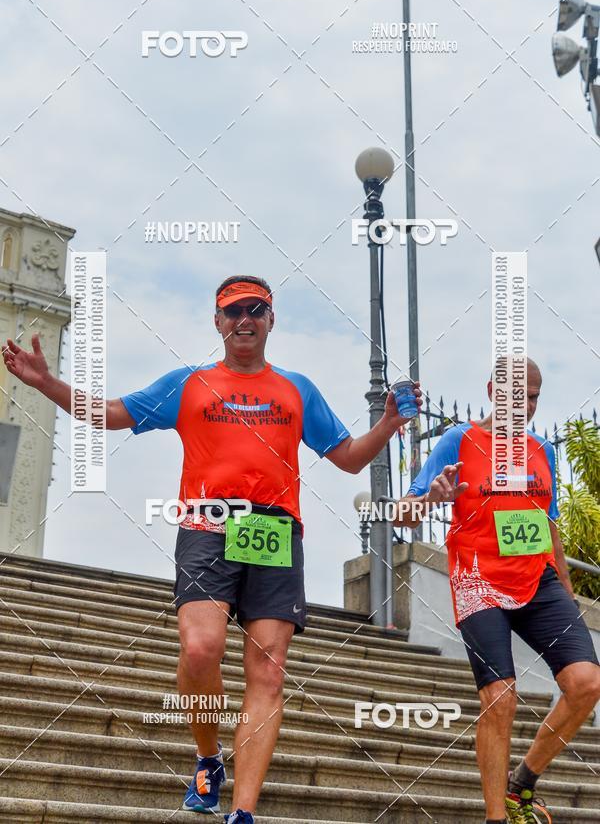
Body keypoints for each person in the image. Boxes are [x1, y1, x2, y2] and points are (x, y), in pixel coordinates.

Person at [2, 274, 421, 822]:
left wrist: (388, 423)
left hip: (275, 531)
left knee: (267, 672)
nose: (243, 320)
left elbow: (346, 457)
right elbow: (109, 413)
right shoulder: (191, 383)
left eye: (255, 309)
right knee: (200, 649)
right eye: (232, 312)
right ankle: (207, 757)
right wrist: (46, 385)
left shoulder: (297, 389)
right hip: (207, 523)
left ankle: (241, 812)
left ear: (272, 319)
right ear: (217, 322)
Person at [396, 358, 600, 824]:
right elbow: (402, 515)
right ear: (492, 390)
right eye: (516, 395)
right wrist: (431, 498)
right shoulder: (458, 441)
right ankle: (497, 819)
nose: (525, 406)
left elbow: (549, 525)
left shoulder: (541, 450)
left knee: (587, 683)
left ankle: (522, 782)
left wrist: (566, 589)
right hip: (477, 579)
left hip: (538, 581)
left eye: (532, 397)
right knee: (500, 696)